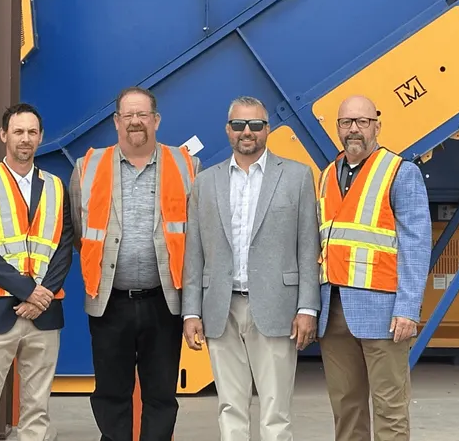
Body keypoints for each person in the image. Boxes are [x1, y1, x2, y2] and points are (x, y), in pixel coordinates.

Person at [181, 96, 320, 441]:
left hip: (277, 307)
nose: (247, 132)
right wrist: (190, 312)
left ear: (267, 129)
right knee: (230, 405)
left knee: (276, 409)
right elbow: (194, 251)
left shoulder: (296, 176)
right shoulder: (205, 182)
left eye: (255, 125)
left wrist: (307, 308)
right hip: (220, 307)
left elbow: (308, 247)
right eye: (239, 125)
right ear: (228, 130)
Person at [69, 86, 202, 441]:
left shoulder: (188, 164)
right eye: (128, 115)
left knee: (161, 395)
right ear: (116, 122)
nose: (135, 122)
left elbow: (199, 238)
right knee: (111, 394)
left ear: (156, 120)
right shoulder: (87, 167)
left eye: (142, 114)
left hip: (164, 301)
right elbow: (80, 231)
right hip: (110, 302)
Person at [316, 94, 432, 441]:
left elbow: (416, 244)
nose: (354, 129)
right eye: (346, 122)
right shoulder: (326, 175)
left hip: (384, 314)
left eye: (362, 122)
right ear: (337, 128)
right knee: (346, 409)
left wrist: (408, 309)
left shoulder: (400, 172)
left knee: (390, 408)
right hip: (333, 311)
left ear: (376, 126)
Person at [0, 102, 74, 441]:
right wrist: (28, 291)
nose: (25, 139)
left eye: (32, 132)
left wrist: (43, 297)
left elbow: (63, 247)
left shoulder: (56, 186)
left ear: (41, 138)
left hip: (44, 313)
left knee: (37, 411)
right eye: (19, 132)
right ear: (4, 135)